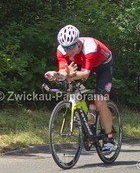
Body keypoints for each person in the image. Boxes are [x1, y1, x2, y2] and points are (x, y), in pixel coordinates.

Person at [44, 24, 116, 153]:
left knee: (100, 102)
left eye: (71, 47)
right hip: (81, 62)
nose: (68, 51)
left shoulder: (90, 47)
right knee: (69, 87)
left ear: (78, 42)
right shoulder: (61, 50)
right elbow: (63, 72)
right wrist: (55, 74)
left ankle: (109, 139)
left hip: (103, 65)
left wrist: (68, 75)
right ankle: (86, 116)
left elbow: (85, 74)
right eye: (65, 47)